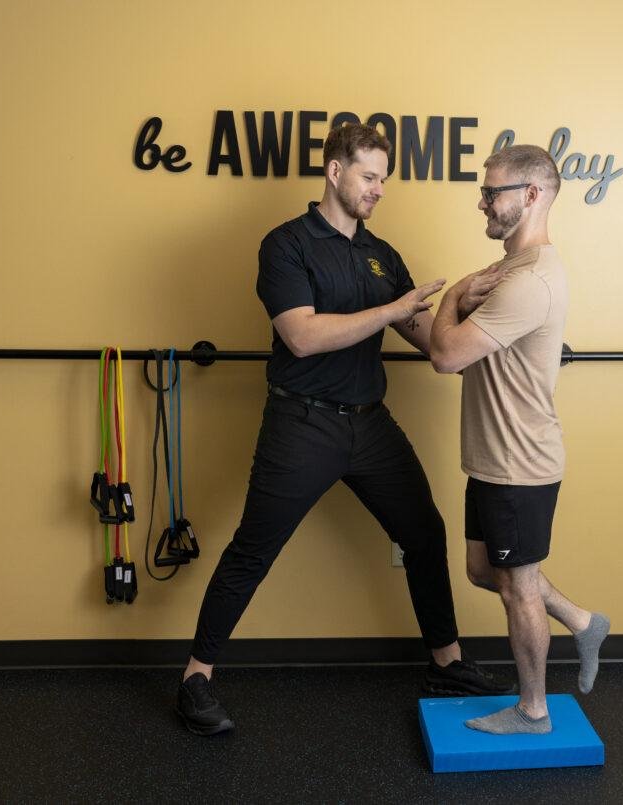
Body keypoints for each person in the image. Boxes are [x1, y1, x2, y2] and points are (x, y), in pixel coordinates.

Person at [176, 123, 512, 736]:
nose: (379, 189)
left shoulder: (380, 253)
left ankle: (447, 665)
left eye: (383, 179)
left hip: (369, 425)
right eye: (369, 177)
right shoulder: (286, 244)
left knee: (424, 533)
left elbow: (428, 337)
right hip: (301, 423)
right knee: (253, 549)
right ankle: (196, 678)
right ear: (335, 172)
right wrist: (390, 309)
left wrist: (471, 305)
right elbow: (302, 336)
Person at [429, 145, 610, 735]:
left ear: (531, 195)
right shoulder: (508, 269)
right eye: (483, 191)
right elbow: (457, 345)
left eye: (492, 192)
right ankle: (582, 621)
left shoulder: (530, 281)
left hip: (519, 464)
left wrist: (452, 298)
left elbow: (447, 356)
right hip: (490, 458)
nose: (482, 202)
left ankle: (534, 710)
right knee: (485, 571)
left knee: (519, 590)